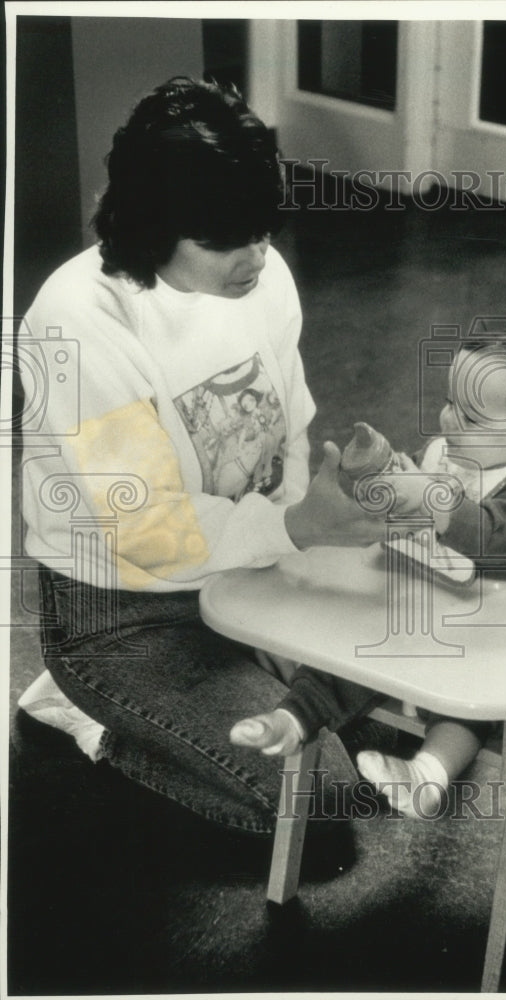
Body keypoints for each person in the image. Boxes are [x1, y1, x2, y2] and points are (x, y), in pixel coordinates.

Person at [17, 77, 388, 837]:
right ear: (152, 226)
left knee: (389, 729)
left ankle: (220, 682)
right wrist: (296, 531)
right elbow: (150, 535)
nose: (256, 255)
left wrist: (328, 494)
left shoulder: (264, 274)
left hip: (245, 573)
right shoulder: (77, 321)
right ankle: (83, 707)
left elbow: (289, 431)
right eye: (225, 239)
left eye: (264, 228)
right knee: (318, 808)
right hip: (121, 612)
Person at [231, 331, 506, 817]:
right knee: (350, 649)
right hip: (434, 608)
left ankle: (428, 775)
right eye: (449, 402)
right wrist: (386, 476)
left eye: (473, 416)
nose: (449, 420)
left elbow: (488, 534)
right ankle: (290, 720)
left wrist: (434, 499)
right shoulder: (446, 454)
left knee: (461, 700)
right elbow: (409, 502)